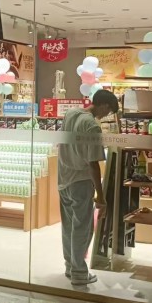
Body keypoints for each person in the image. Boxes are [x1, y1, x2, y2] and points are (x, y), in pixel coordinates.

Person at [58, 89, 119, 286]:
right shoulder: (92, 126)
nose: (107, 115)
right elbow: (93, 164)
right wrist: (100, 196)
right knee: (82, 228)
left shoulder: (71, 114)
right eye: (109, 111)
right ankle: (79, 273)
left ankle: (70, 266)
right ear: (104, 105)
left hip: (64, 178)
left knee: (68, 226)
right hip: (81, 181)